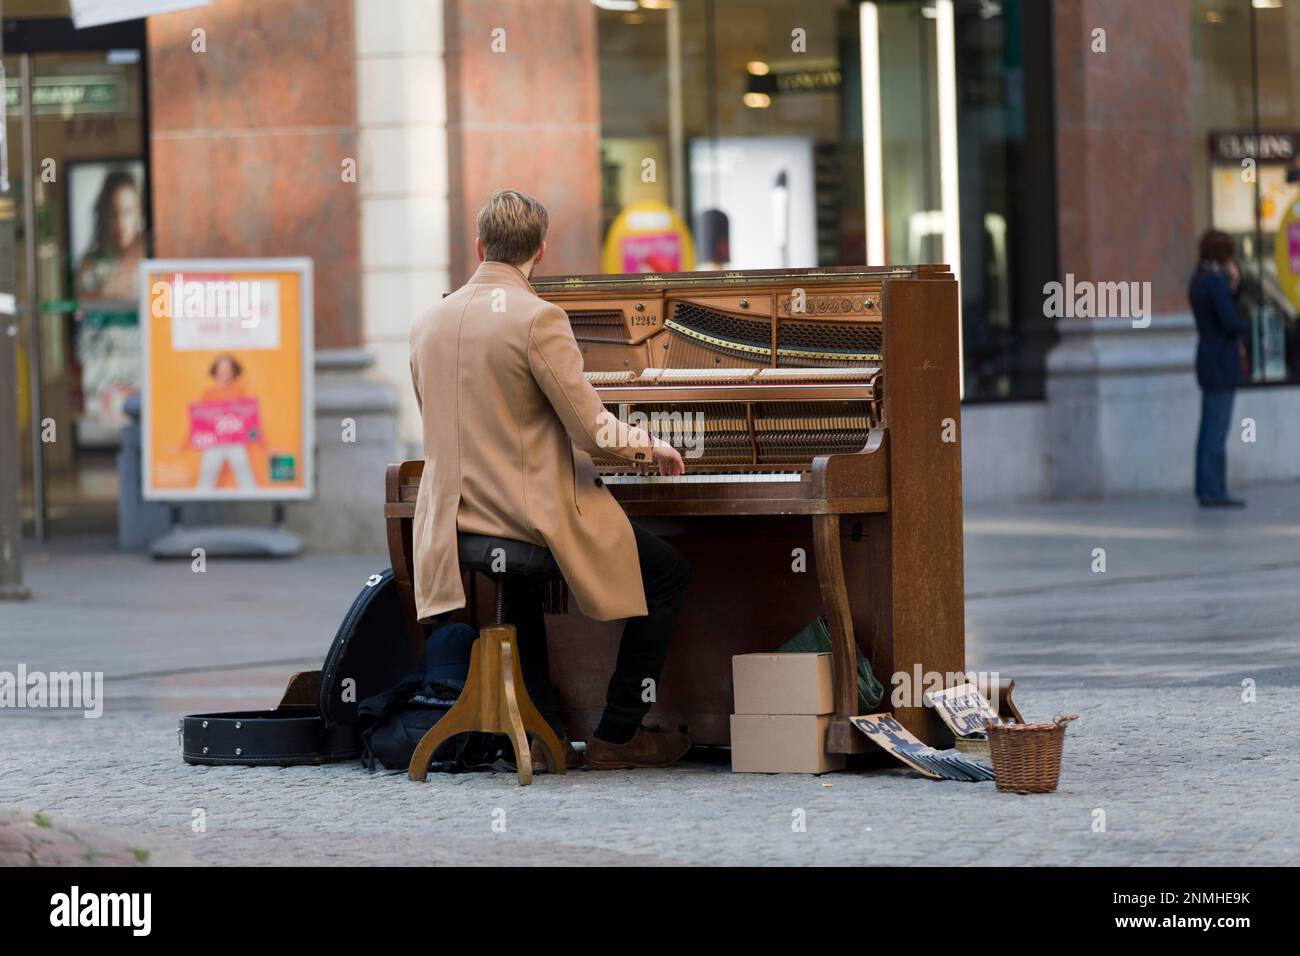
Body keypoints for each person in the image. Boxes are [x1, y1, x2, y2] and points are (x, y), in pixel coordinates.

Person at [408, 189, 693, 771]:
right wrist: (652, 445)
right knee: (669, 572)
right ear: (541, 250)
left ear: (480, 244)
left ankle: (544, 732)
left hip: (452, 518)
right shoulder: (539, 318)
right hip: (524, 514)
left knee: (524, 582)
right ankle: (618, 731)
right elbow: (591, 430)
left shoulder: (428, 322)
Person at [1189, 230, 1250, 508]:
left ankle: (1207, 488)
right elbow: (1230, 322)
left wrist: (1231, 288)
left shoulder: (1198, 279)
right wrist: (1248, 326)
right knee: (1217, 430)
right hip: (1221, 362)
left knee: (1208, 428)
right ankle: (1215, 491)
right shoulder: (1213, 282)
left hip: (1207, 358)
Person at [74, 170, 146, 302]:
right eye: (114, 213)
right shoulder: (90, 263)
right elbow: (76, 304)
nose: (121, 223)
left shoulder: (151, 254)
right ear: (105, 215)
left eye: (128, 211)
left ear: (139, 211)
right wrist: (103, 294)